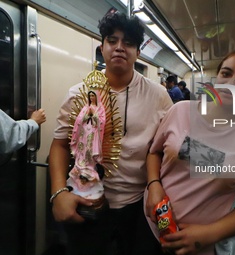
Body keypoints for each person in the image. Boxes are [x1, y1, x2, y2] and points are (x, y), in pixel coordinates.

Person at [48, 11, 173, 255]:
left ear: (138, 52)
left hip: (139, 204)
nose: (119, 48)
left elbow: (171, 144)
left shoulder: (157, 96)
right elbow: (59, 145)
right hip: (87, 200)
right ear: (102, 47)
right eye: (112, 41)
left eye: (128, 43)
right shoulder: (79, 94)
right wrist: (58, 192)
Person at [145, 47, 235, 255]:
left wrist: (208, 234)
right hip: (152, 227)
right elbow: (154, 152)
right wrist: (153, 185)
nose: (231, 83)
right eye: (226, 73)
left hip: (205, 247)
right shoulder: (181, 111)